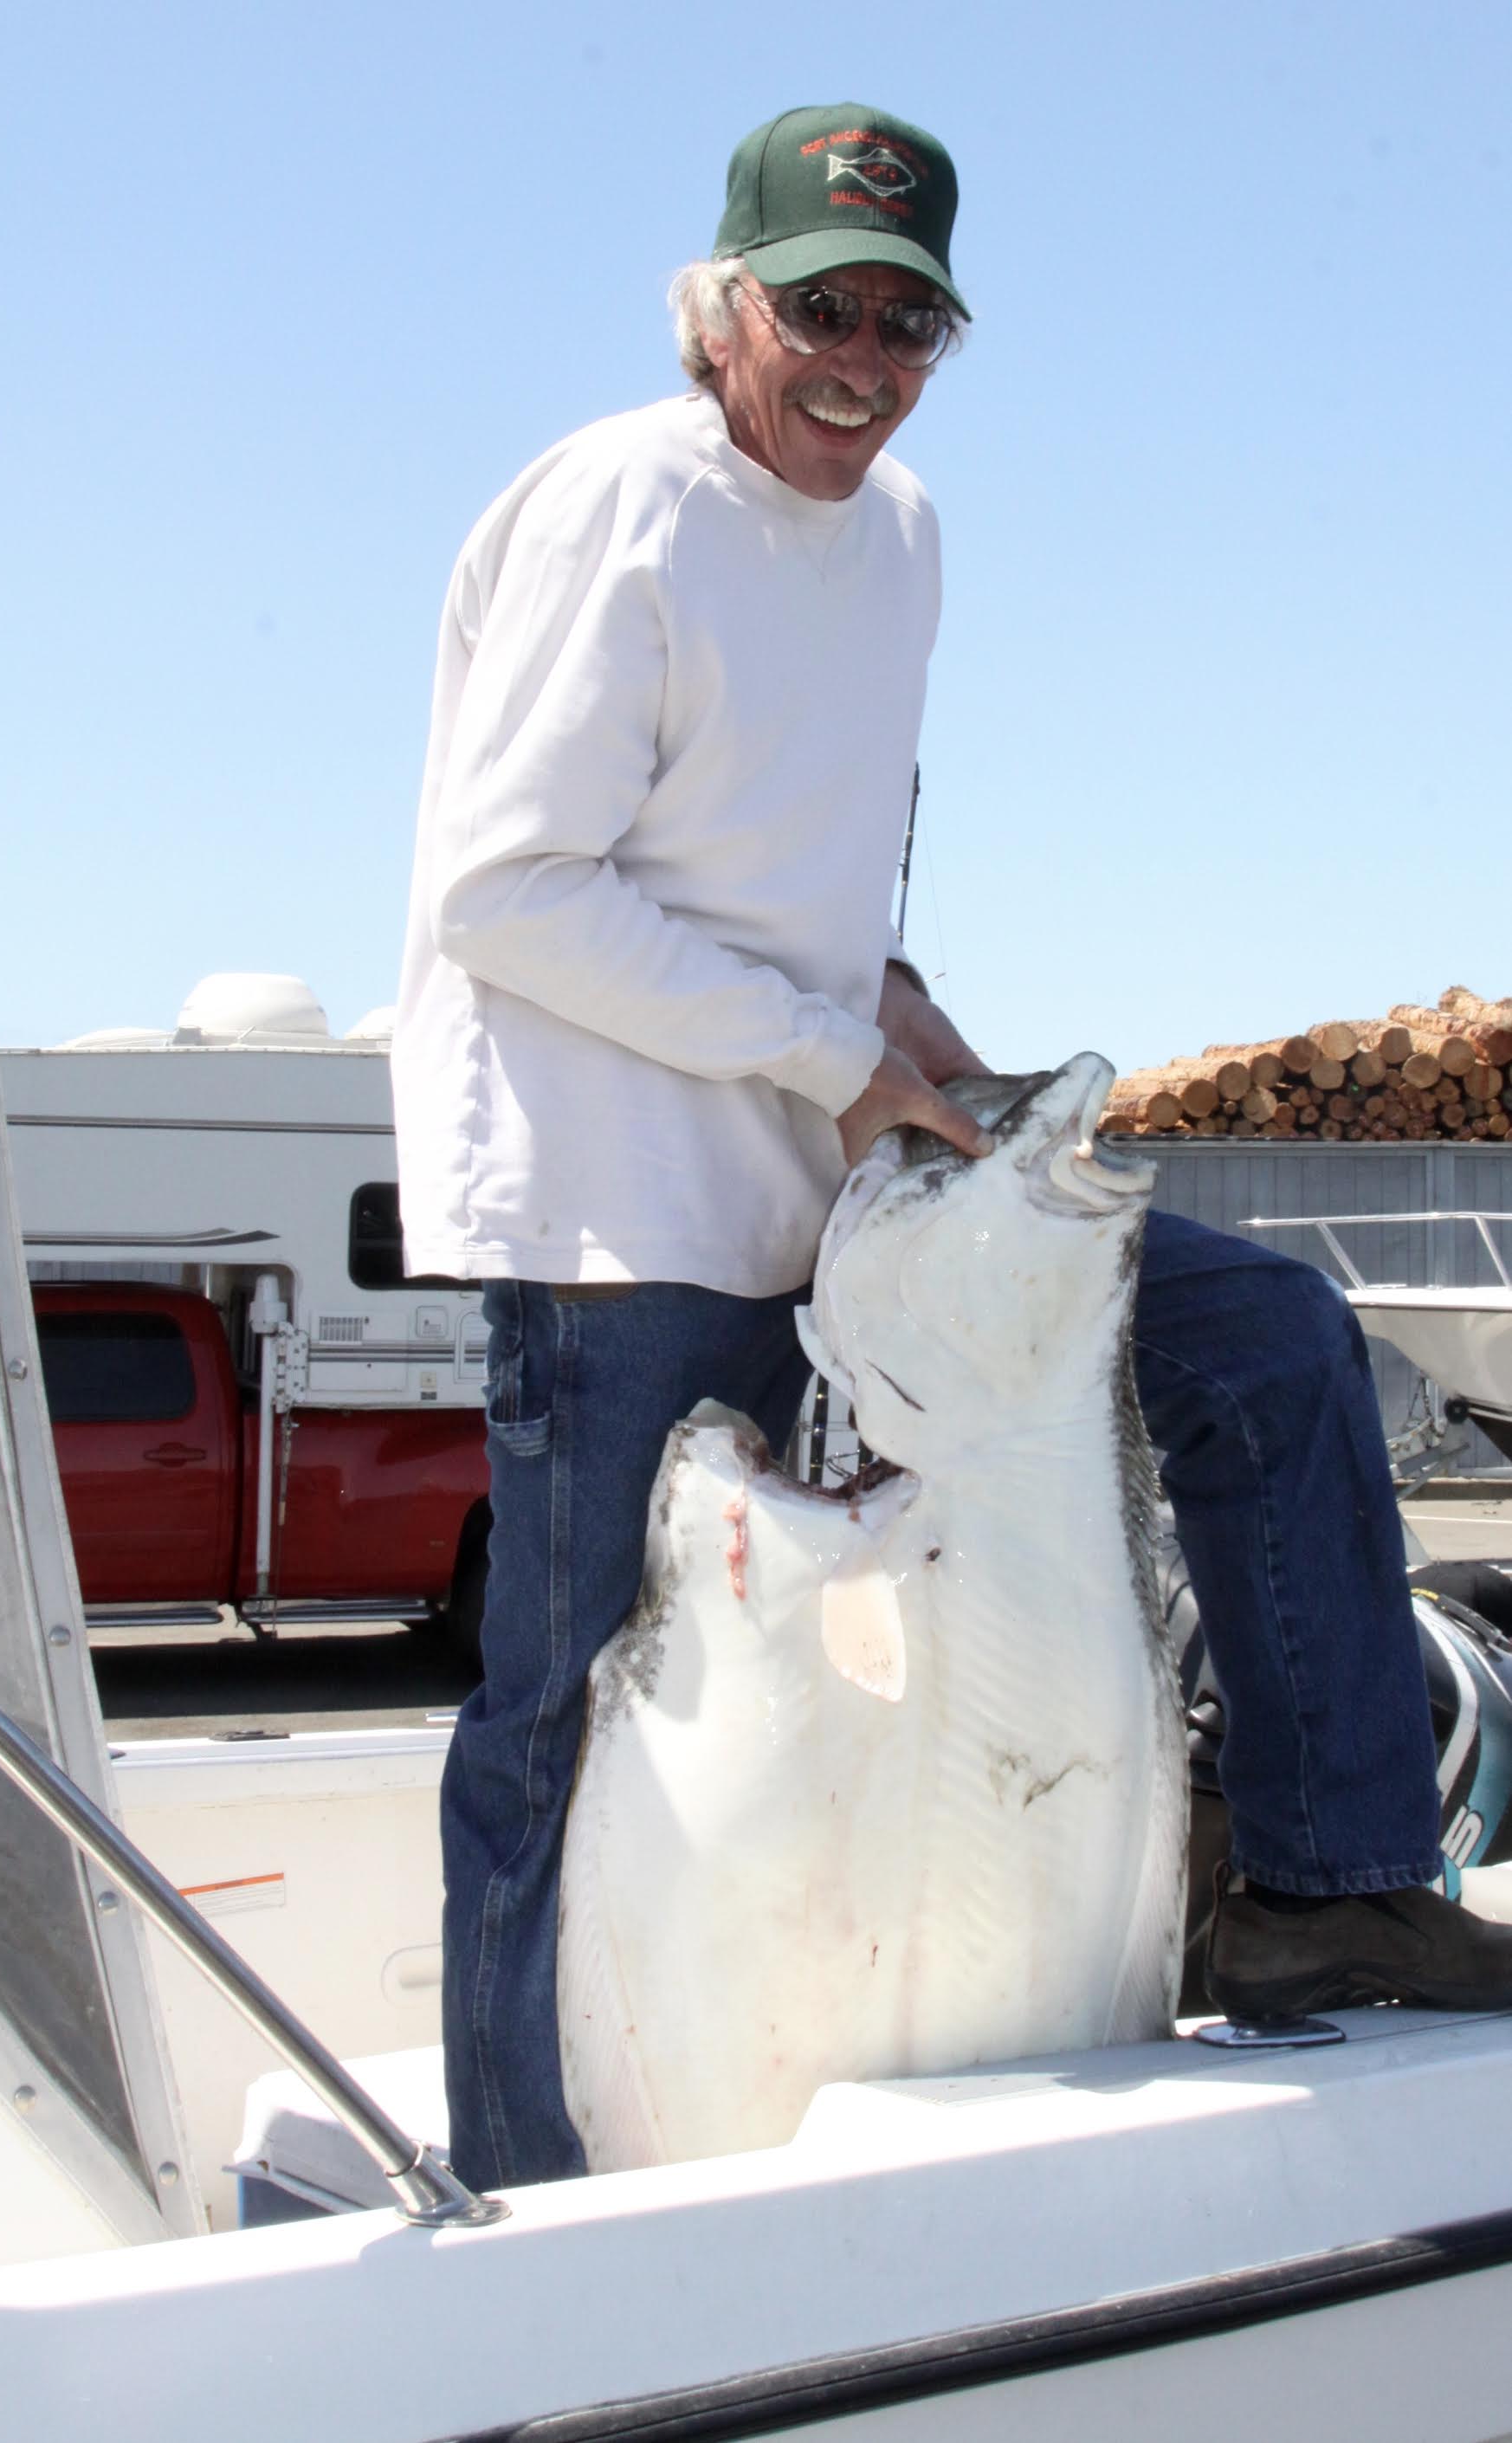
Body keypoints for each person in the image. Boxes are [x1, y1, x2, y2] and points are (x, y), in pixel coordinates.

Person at [394, 101, 1512, 2194]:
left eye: (911, 322)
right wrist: (828, 1055)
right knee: (566, 1717)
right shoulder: (609, 509)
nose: (863, 357)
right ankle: (528, 2196)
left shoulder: (899, 533)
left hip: (843, 1183)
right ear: (720, 310)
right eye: (821, 304)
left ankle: (1319, 1879)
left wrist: (922, 1053)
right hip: (622, 1203)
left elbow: (808, 904)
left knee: (1261, 1341)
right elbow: (509, 890)